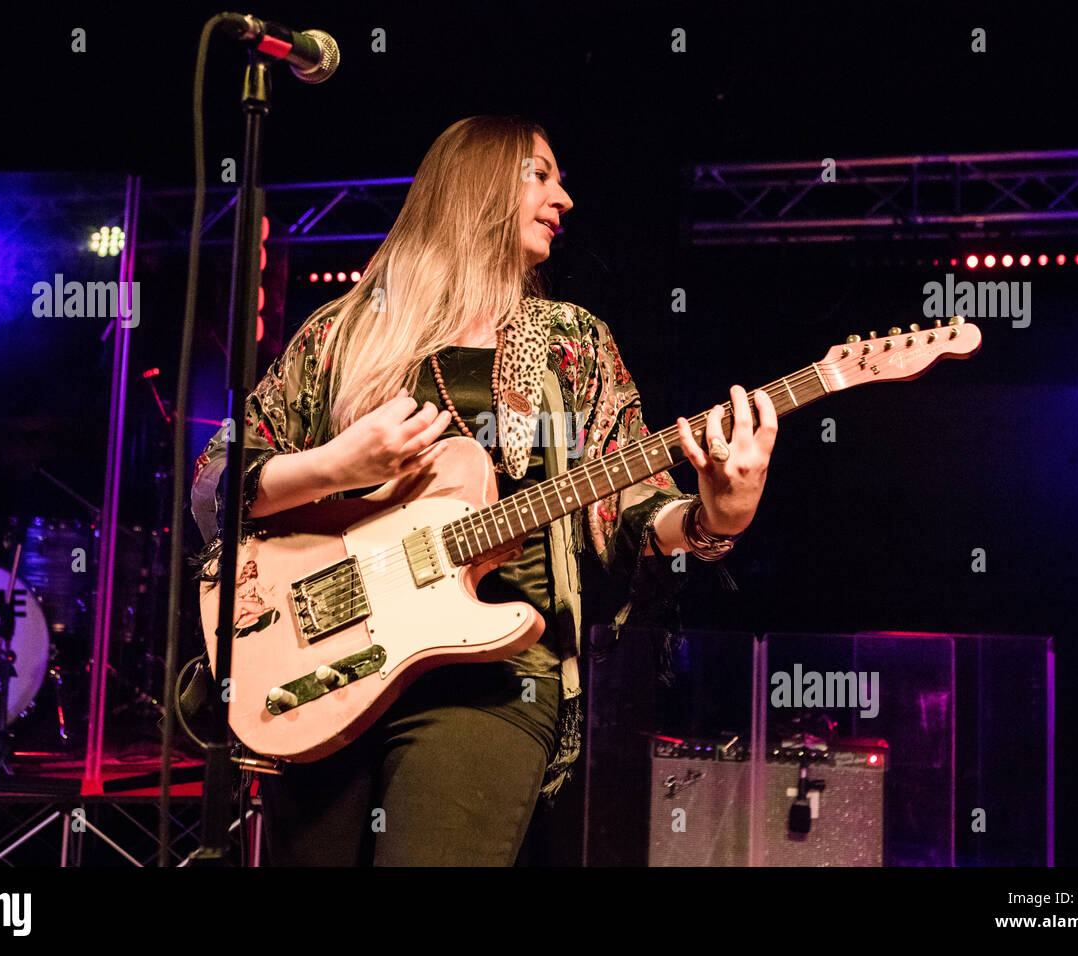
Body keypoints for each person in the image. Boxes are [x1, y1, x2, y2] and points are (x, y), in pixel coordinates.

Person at [189, 115, 777, 865]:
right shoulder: (340, 336)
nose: (564, 198)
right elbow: (215, 485)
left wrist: (716, 514)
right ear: (474, 187)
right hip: (326, 666)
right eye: (542, 173)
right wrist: (336, 465)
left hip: (495, 678)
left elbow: (623, 513)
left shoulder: (573, 341)